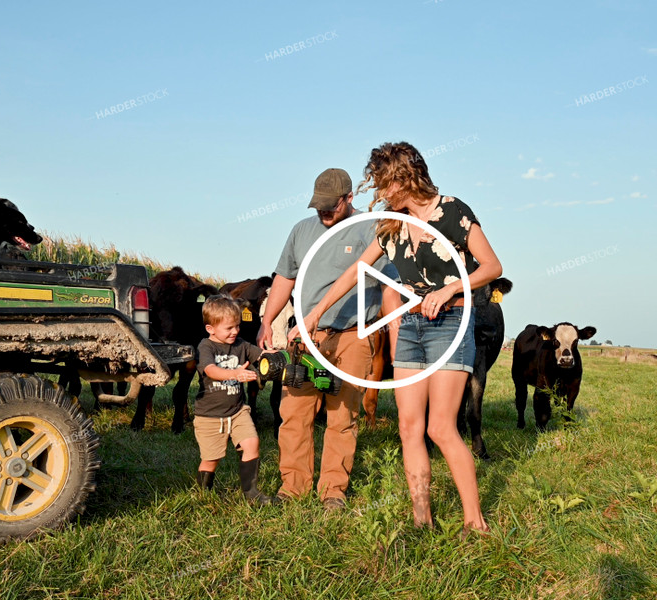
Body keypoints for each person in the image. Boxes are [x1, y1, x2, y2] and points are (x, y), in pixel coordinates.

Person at [299, 142, 502, 532]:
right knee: (409, 428)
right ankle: (421, 520)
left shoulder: (453, 211)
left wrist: (450, 289)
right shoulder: (391, 223)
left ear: (403, 177)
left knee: (440, 428)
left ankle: (475, 523)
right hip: (409, 328)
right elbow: (355, 272)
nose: (379, 192)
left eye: (383, 182)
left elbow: (493, 266)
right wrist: (315, 312)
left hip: (450, 323)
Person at [257, 168, 394, 509]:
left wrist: (395, 327)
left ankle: (333, 490)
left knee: (342, 414)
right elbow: (284, 279)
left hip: (353, 336)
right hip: (307, 339)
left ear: (349, 199)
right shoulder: (302, 231)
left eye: (331, 206)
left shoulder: (372, 228)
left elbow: (388, 284)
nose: (324, 212)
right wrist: (266, 321)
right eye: (319, 206)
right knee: (295, 413)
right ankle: (293, 486)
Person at [194, 295, 275, 505]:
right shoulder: (206, 347)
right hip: (210, 416)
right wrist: (234, 374)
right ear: (210, 328)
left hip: (238, 410)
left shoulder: (241, 345)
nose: (235, 331)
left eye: (237, 326)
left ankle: (251, 493)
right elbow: (210, 370)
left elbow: (261, 355)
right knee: (211, 459)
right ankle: (204, 493)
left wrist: (273, 355)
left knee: (252, 443)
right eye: (229, 328)